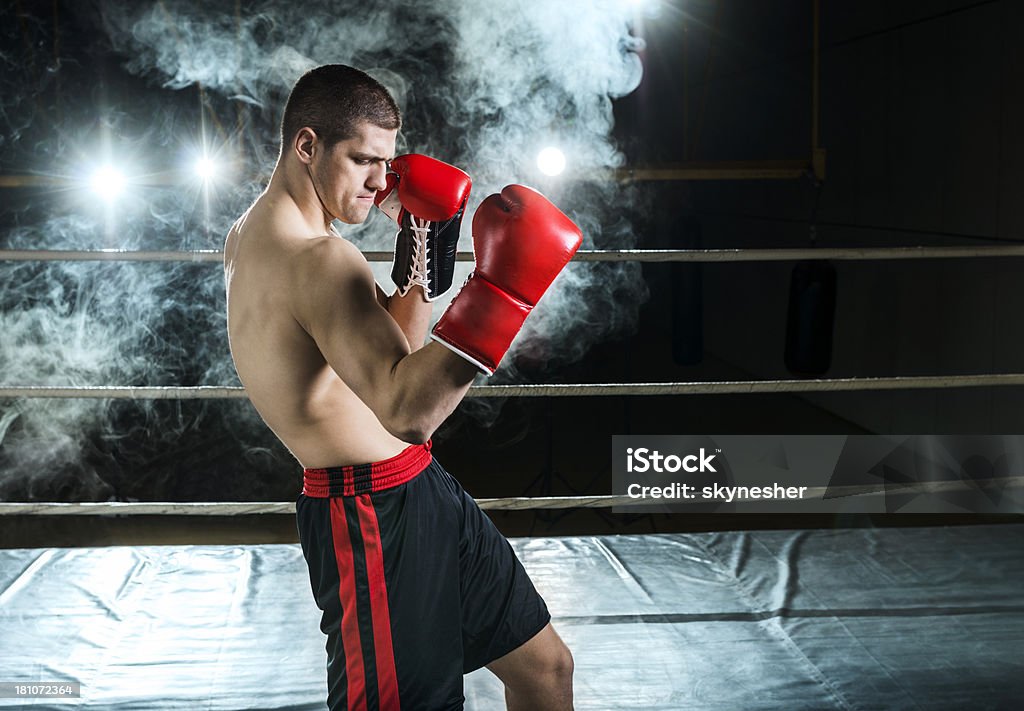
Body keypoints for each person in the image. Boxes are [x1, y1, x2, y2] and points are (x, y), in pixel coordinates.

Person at [223, 64, 580, 710]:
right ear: (306, 145)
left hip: (421, 490)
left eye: (387, 163)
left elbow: (385, 356)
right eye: (361, 160)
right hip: (371, 519)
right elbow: (408, 410)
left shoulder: (249, 235)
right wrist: (501, 294)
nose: (379, 183)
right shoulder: (321, 262)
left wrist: (420, 253)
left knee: (545, 667)